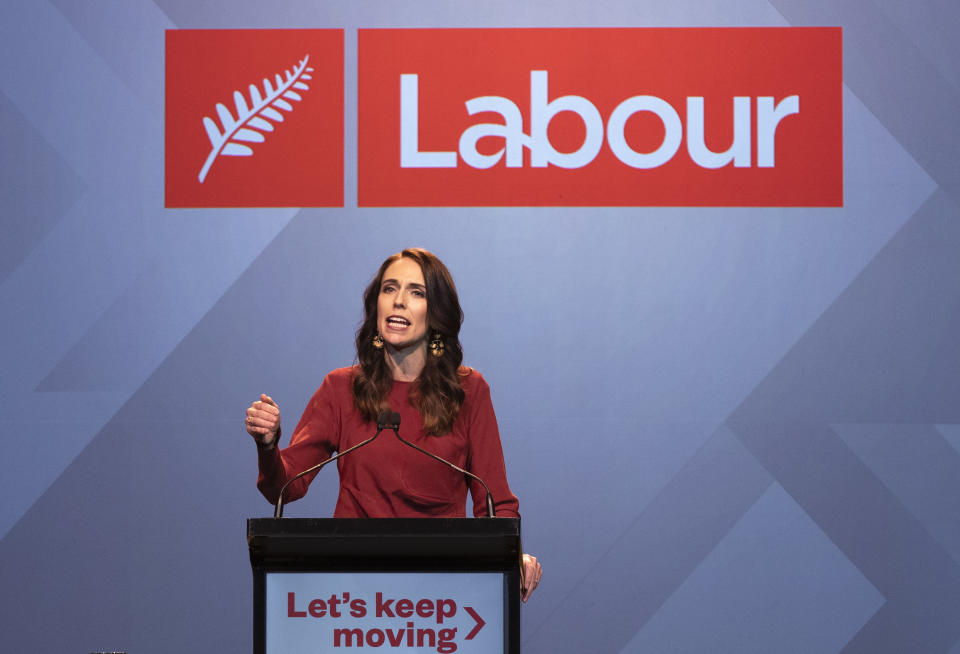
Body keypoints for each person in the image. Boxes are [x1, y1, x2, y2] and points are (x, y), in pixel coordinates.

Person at [245, 248, 542, 601]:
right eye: (390, 289)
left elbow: (495, 502)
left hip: (441, 593)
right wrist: (268, 445)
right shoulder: (341, 388)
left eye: (416, 292)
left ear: (436, 313)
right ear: (376, 305)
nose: (399, 301)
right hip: (350, 593)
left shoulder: (469, 391)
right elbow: (284, 487)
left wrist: (514, 555)